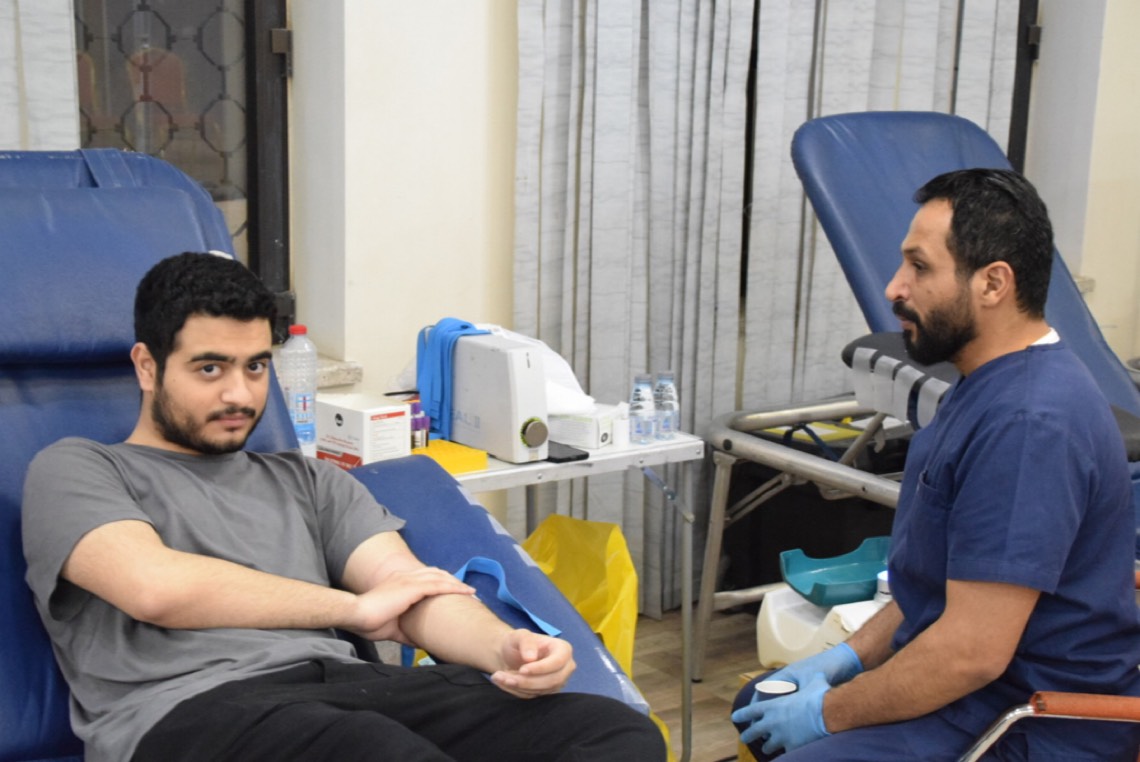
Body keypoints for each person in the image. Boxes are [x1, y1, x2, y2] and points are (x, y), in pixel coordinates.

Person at [22, 252, 665, 762]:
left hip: (351, 691)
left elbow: (407, 591)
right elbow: (156, 588)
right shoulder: (77, 469)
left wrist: (507, 649)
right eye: (210, 369)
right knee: (375, 750)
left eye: (255, 367)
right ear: (147, 366)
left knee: (611, 731)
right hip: (191, 713)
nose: (240, 394)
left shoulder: (308, 481)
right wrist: (351, 609)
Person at [731, 169, 1140, 761]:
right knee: (756, 706)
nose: (894, 288)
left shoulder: (1029, 425)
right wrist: (845, 659)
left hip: (1028, 723)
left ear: (993, 283)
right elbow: (935, 589)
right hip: (969, 690)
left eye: (919, 267)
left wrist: (827, 712)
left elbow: (969, 653)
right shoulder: (984, 385)